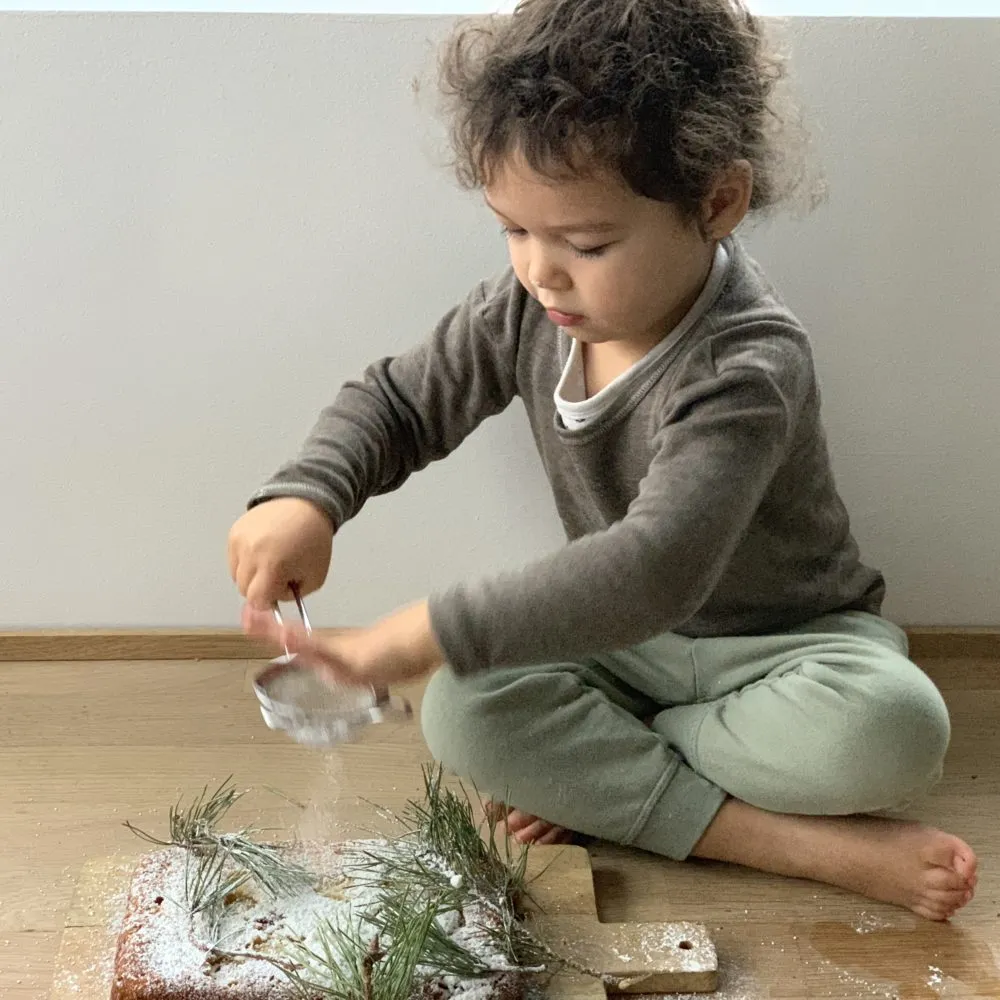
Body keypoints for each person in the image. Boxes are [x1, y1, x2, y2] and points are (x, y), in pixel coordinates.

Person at [228, 0, 977, 921]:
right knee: (462, 714)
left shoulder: (748, 362)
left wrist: (417, 634)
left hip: (787, 649)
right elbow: (401, 400)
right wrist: (308, 494)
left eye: (586, 243)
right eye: (514, 229)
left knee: (891, 734)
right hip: (620, 646)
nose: (542, 271)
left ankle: (628, 782)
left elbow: (653, 567)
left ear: (716, 203)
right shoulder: (526, 308)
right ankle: (772, 834)